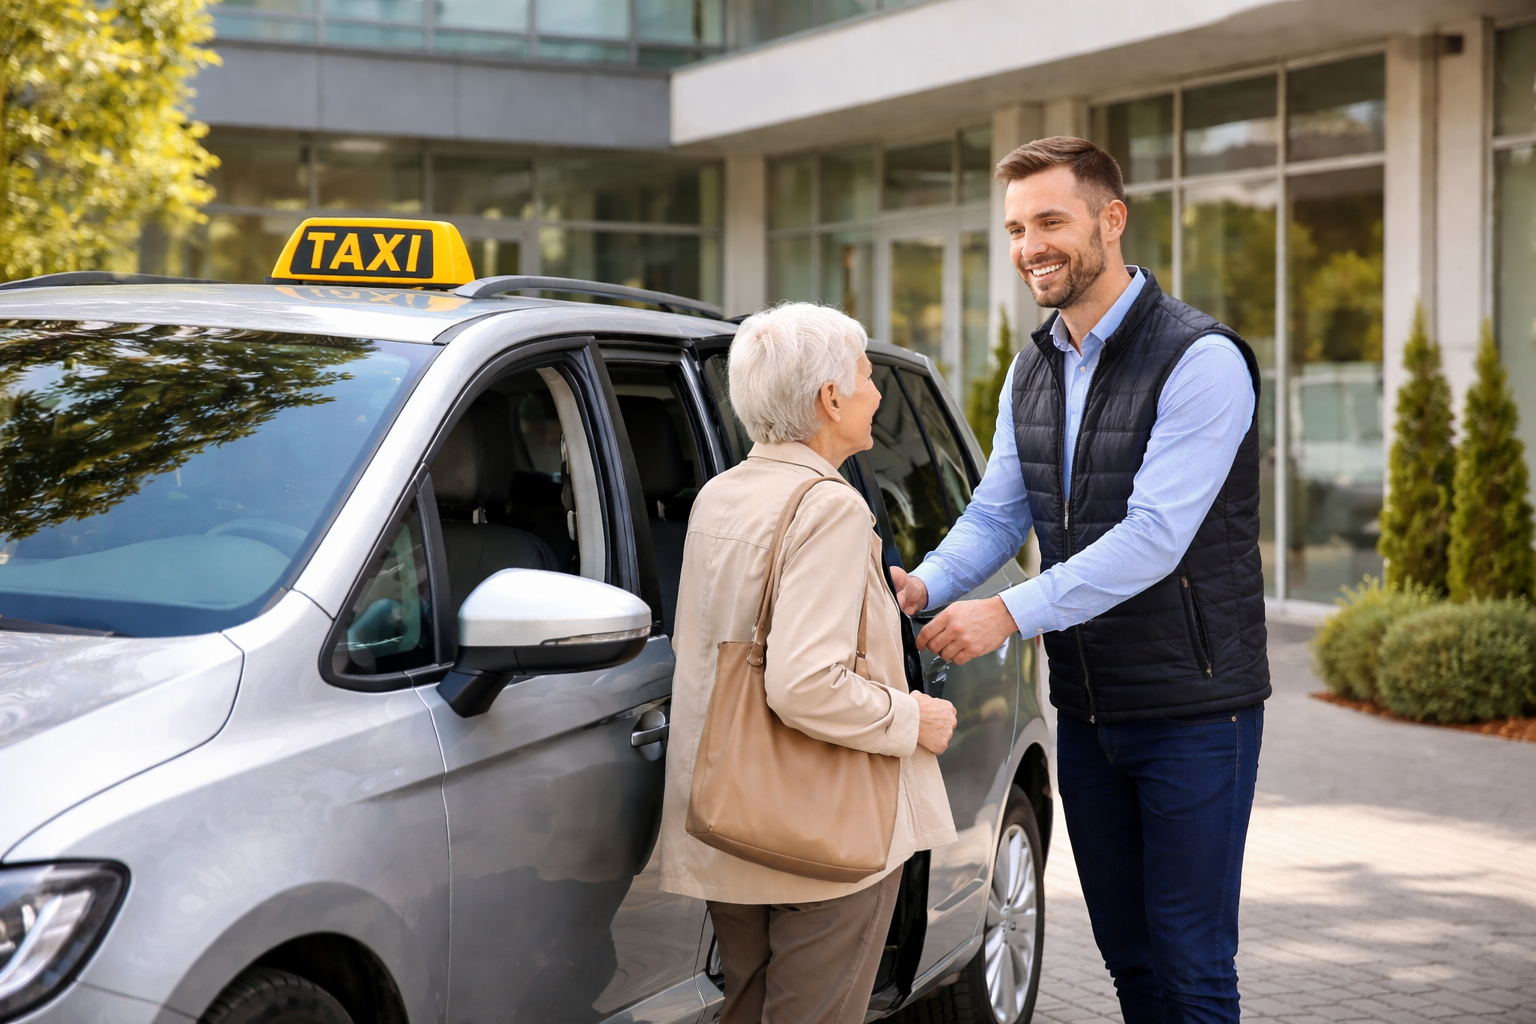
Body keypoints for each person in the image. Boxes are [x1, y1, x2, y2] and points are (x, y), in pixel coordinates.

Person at [890, 137, 1269, 1024]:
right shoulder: (1033, 368)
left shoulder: (1201, 359)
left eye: (1050, 222)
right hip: (1091, 714)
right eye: (1016, 229)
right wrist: (927, 587)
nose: (1031, 247)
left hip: (1194, 715)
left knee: (1192, 964)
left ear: (1111, 219)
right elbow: (997, 514)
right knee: (1129, 958)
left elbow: (1154, 538)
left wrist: (1007, 613)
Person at [659, 302, 958, 1024]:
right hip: (821, 835)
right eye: (866, 376)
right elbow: (805, 683)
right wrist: (912, 718)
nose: (876, 393)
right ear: (831, 398)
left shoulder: (719, 495)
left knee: (748, 1004)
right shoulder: (830, 507)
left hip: (728, 812)